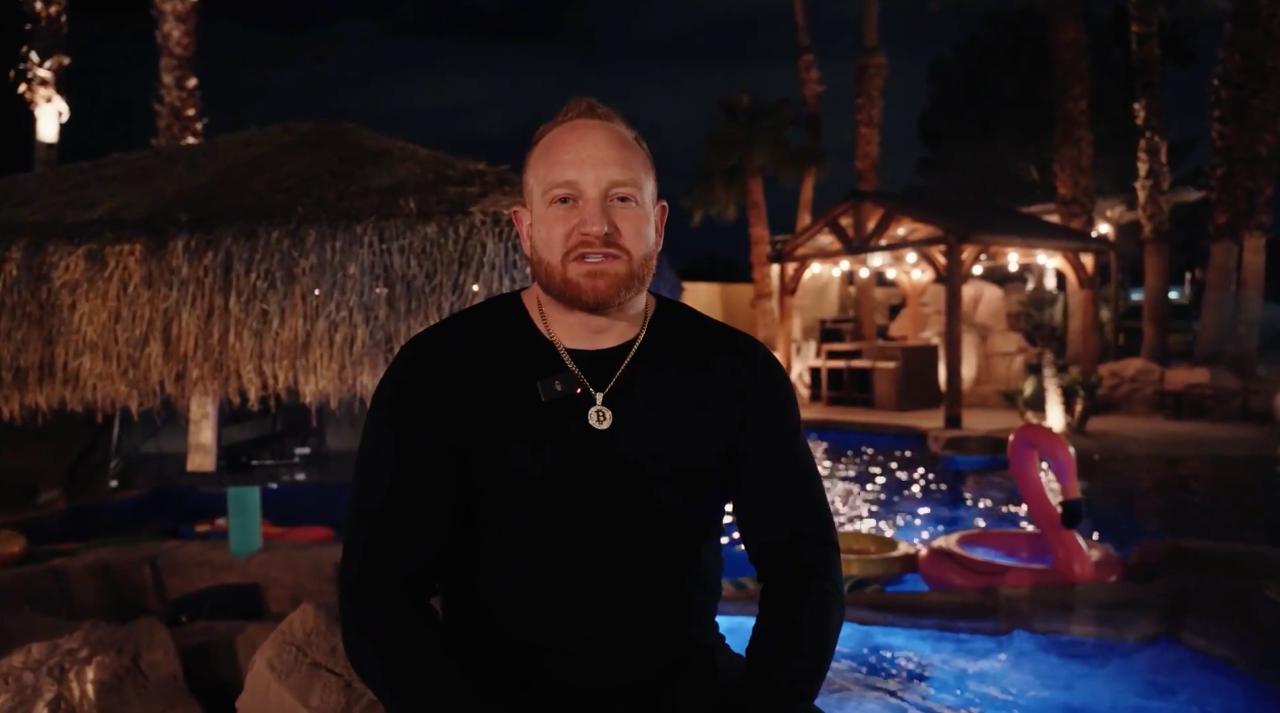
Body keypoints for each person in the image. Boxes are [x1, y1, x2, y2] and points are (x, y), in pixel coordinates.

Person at [339, 97, 844, 713]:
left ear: (658, 222)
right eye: (564, 200)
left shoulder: (737, 371)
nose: (596, 226)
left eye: (621, 198)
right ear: (525, 227)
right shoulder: (437, 372)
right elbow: (379, 595)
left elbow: (805, 573)